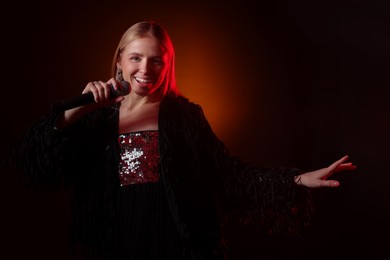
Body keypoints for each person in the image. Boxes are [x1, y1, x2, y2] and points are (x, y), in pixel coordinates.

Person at [17, 20, 357, 260]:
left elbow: (229, 176)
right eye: (135, 57)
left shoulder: (185, 117)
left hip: (174, 246)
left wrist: (296, 179)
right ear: (119, 60)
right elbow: (34, 160)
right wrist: (80, 108)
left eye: (156, 60)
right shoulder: (97, 120)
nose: (145, 68)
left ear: (167, 65)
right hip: (113, 245)